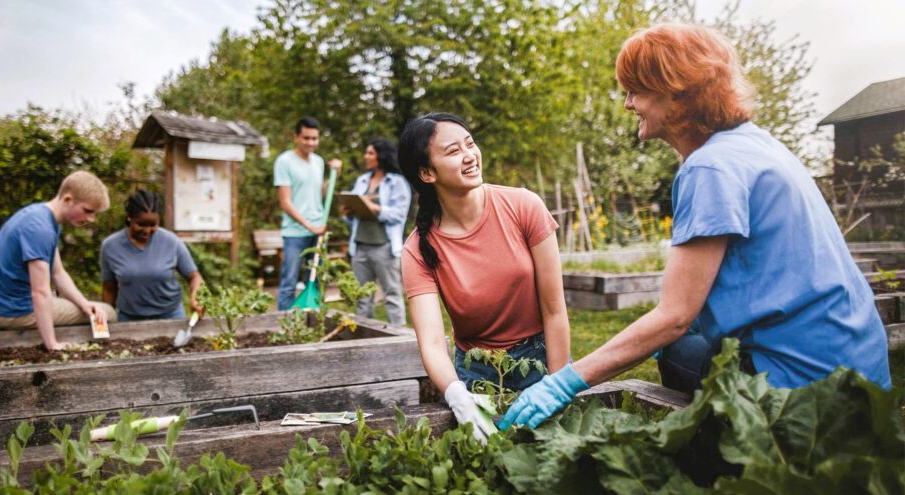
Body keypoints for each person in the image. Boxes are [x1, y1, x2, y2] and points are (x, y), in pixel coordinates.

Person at [499, 23, 892, 431]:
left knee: (674, 349)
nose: (628, 104)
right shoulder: (757, 144)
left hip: (805, 390)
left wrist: (563, 383)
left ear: (675, 91)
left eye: (635, 91)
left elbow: (674, 316)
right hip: (860, 372)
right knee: (687, 343)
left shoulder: (710, 168)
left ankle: (732, 447)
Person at [399, 113, 572, 442]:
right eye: (453, 151)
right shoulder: (417, 251)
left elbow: (555, 309)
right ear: (426, 173)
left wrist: (558, 383)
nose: (469, 155)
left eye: (470, 143)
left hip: (542, 358)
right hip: (477, 374)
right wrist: (457, 396)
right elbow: (433, 344)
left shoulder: (523, 205)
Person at [0, 171, 117, 351]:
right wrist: (52, 344)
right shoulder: (41, 229)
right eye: (87, 211)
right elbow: (40, 292)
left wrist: (85, 304)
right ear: (68, 200)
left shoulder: (41, 217)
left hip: (3, 306)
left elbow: (58, 273)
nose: (91, 219)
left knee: (93, 309)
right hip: (13, 311)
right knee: (108, 312)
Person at [100, 190, 204, 322]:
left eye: (153, 225)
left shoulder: (171, 241)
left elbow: (194, 277)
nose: (147, 230)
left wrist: (196, 296)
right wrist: (104, 322)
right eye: (141, 224)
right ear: (129, 217)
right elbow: (109, 288)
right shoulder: (111, 246)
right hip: (129, 318)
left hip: (171, 315)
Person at [341, 138, 412, 325]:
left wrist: (375, 208)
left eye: (370, 153)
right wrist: (348, 211)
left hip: (385, 248)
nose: (366, 156)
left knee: (392, 294)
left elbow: (399, 214)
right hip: (359, 247)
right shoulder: (362, 180)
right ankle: (365, 339)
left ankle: (399, 338)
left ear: (381, 156)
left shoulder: (397, 183)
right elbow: (353, 213)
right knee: (362, 297)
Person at [274, 117, 342, 310]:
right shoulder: (284, 161)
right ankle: (283, 325)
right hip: (295, 233)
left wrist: (335, 175)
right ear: (296, 137)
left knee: (317, 279)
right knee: (289, 282)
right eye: (306, 138)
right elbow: (285, 202)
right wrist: (309, 225)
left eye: (314, 138)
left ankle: (312, 320)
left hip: (318, 231)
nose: (311, 143)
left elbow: (320, 194)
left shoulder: (318, 162)